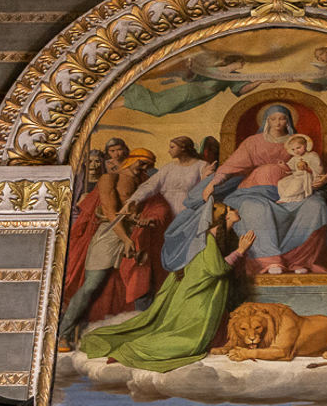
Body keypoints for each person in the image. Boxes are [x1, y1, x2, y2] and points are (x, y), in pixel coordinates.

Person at [79, 205, 257, 372]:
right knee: (190, 342)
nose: (236, 210)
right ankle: (131, 351)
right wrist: (240, 251)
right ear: (222, 216)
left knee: (195, 339)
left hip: (205, 294)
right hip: (197, 297)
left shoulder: (224, 235)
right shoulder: (207, 238)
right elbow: (217, 269)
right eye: (231, 208)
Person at [198, 104, 327, 275]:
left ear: (288, 121)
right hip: (252, 192)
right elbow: (231, 167)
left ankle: (301, 261)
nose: (278, 122)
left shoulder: (297, 143)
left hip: (291, 192)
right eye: (273, 118)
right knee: (256, 208)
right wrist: (213, 183)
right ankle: (268, 261)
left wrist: (323, 178)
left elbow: (316, 166)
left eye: (282, 118)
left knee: (316, 205)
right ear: (266, 121)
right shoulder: (253, 142)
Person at [59, 148, 156, 349]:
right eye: (142, 163)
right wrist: (126, 239)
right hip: (110, 234)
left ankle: (141, 334)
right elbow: (112, 213)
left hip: (133, 234)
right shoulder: (109, 179)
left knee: (140, 284)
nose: (144, 168)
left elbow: (137, 211)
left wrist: (141, 222)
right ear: (131, 160)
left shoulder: (143, 182)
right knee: (92, 285)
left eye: (148, 164)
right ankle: (63, 335)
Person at [121, 53, 262, 117]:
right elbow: (192, 76)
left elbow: (242, 89)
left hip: (197, 98)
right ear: (234, 61)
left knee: (160, 107)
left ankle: (122, 99)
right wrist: (189, 67)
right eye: (240, 62)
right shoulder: (213, 69)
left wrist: (261, 81)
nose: (242, 65)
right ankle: (129, 91)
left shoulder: (234, 76)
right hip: (187, 92)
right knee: (158, 109)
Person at [123, 136, 208, 216]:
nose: (169, 151)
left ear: (183, 148)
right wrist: (135, 199)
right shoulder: (169, 167)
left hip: (188, 209)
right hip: (165, 209)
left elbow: (206, 188)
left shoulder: (202, 166)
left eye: (172, 147)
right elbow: (151, 185)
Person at [276, 134, 324, 205]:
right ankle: (292, 198)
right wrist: (283, 165)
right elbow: (289, 168)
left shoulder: (312, 155)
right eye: (293, 149)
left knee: (297, 183)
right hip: (296, 176)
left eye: (298, 148)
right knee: (281, 183)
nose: (296, 151)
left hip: (308, 177)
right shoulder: (295, 158)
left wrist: (306, 168)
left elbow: (319, 170)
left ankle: (285, 198)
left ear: (305, 145)